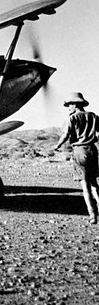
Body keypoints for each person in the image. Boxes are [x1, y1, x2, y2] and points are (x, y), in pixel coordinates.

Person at [54, 92, 99, 224]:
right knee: (94, 184)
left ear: (75, 104)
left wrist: (57, 145)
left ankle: (92, 214)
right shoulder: (94, 116)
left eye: (69, 105)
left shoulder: (72, 118)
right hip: (92, 150)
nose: (68, 108)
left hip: (79, 151)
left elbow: (65, 135)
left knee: (85, 186)